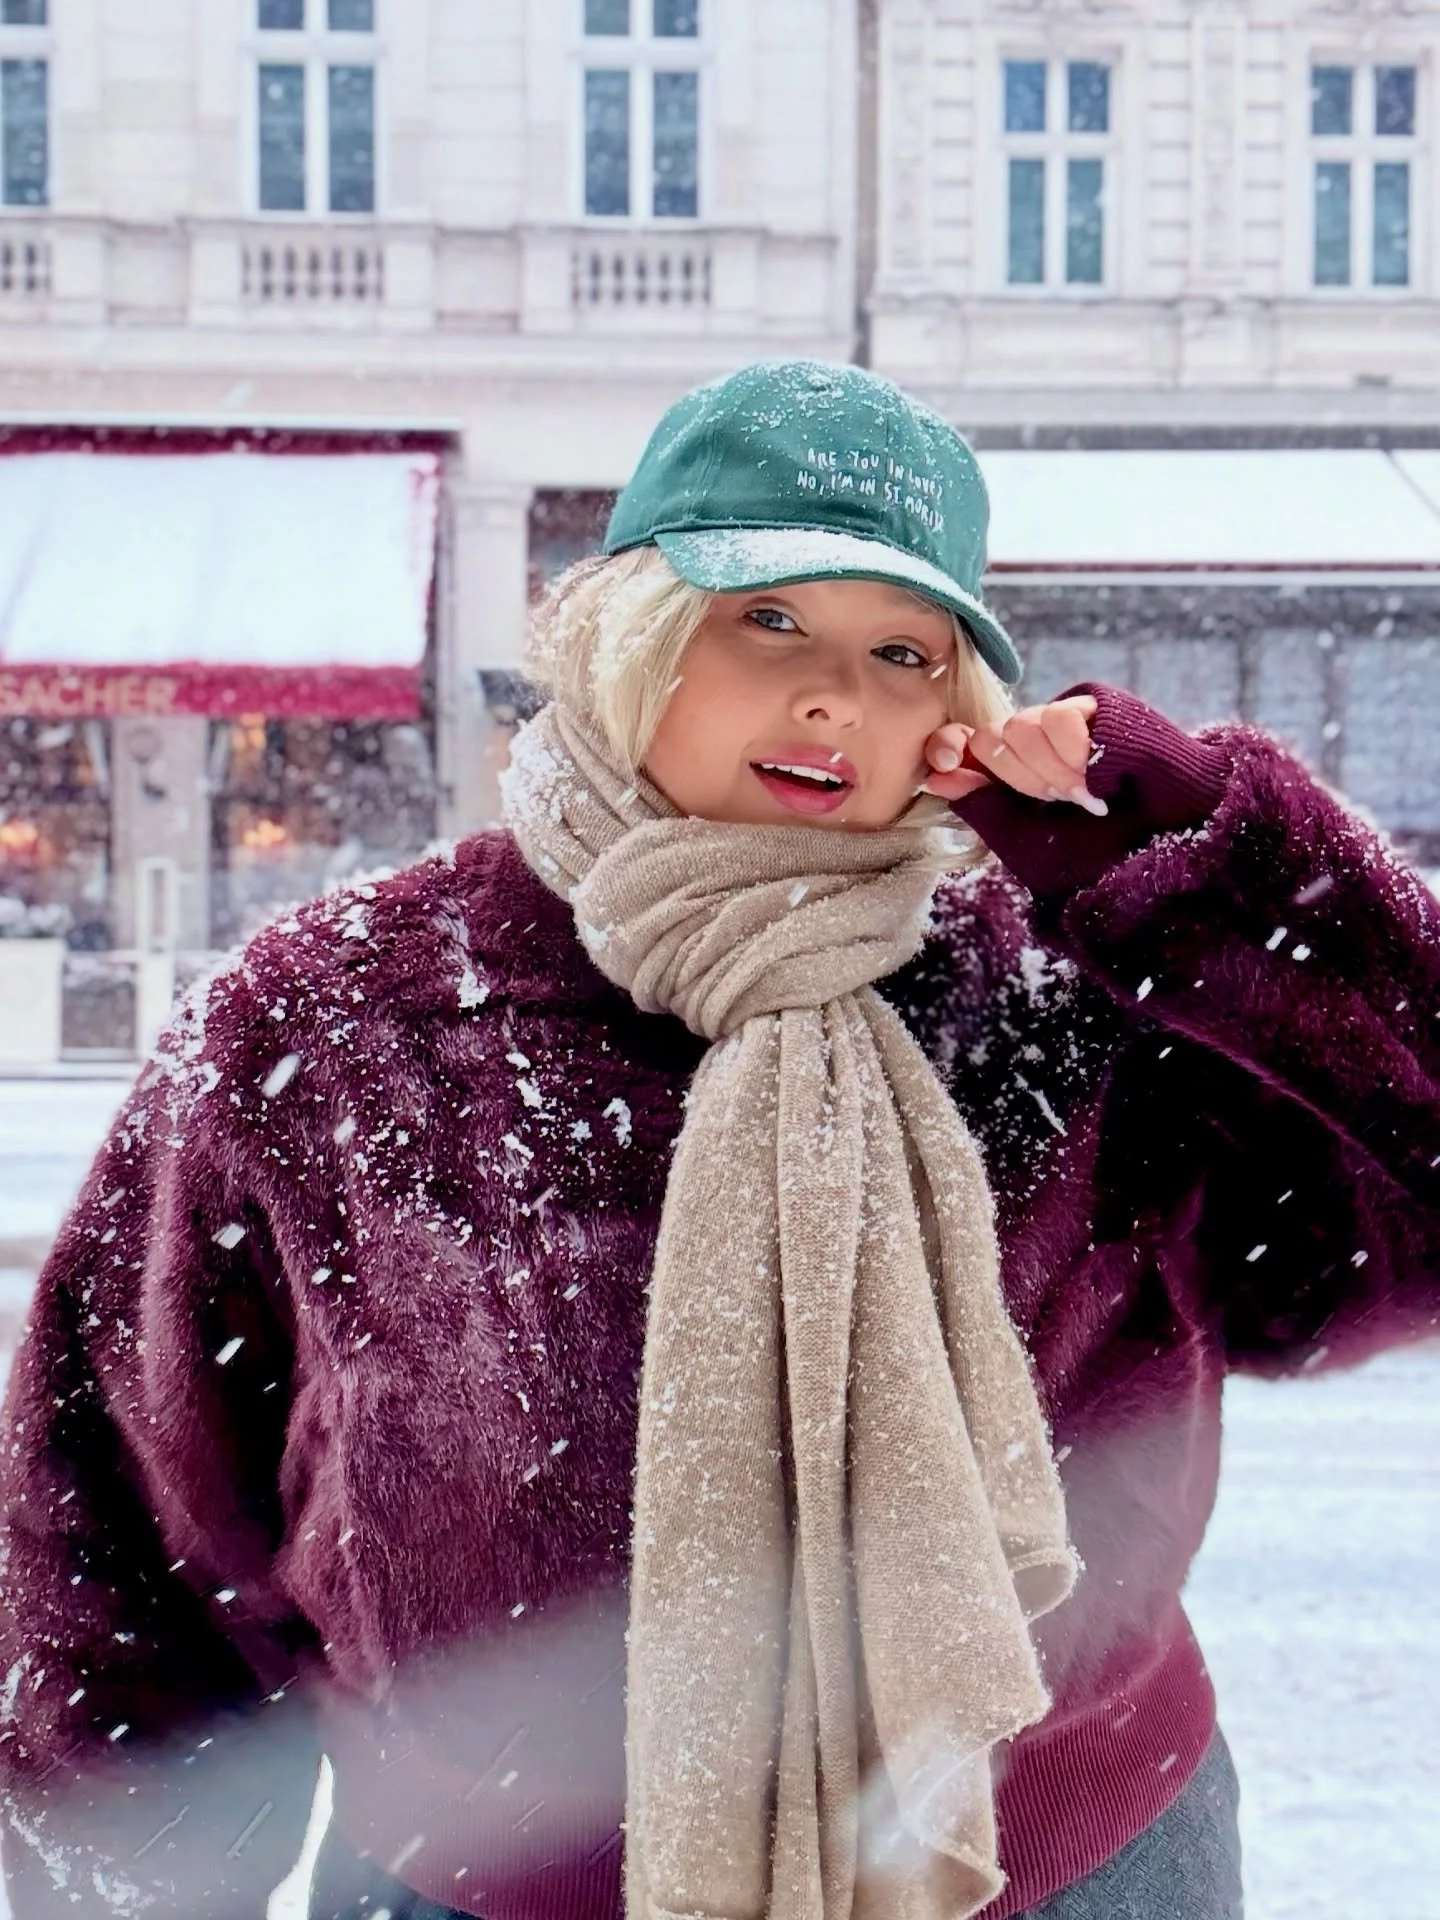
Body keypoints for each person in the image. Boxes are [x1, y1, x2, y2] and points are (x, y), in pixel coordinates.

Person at [0, 359, 1436, 1920]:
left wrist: (1192, 864)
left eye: (903, 650)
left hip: (1075, 1869)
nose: (836, 697)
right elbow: (123, 1531)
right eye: (766, 623)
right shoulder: (334, 1022)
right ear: (631, 641)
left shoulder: (1072, 989)